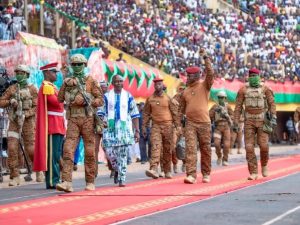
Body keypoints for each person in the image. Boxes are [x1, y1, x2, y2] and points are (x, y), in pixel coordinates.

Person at [56, 54, 103, 192]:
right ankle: (66, 182)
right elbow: (59, 98)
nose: (76, 66)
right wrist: (65, 84)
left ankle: (90, 181)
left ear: (84, 65)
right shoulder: (68, 82)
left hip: (88, 119)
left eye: (79, 64)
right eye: (74, 64)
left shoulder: (91, 81)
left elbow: (100, 99)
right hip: (73, 121)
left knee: (89, 152)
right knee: (68, 150)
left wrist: (87, 99)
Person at [177, 49, 214, 184]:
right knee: (190, 148)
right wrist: (178, 126)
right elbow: (180, 110)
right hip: (190, 123)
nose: (189, 77)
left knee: (205, 149)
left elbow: (210, 73)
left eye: (192, 75)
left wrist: (205, 58)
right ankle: (191, 175)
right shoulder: (185, 91)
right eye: (188, 75)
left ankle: (206, 173)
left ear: (199, 75)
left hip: (204, 123)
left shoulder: (205, 85)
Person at [0, 64, 41, 186]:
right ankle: (15, 176)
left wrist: (26, 114)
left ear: (27, 75)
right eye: (17, 73)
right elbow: (1, 101)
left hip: (28, 122)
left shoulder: (33, 89)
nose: (19, 75)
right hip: (14, 122)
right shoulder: (12, 89)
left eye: (21, 73)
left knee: (31, 149)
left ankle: (39, 170)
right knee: (12, 148)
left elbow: (36, 106)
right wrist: (10, 101)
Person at [234, 68, 276, 180]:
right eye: (251, 75)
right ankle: (253, 172)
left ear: (259, 76)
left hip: (262, 121)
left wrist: (274, 117)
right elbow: (238, 107)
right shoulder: (243, 90)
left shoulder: (265, 89)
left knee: (264, 145)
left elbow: (272, 104)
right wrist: (235, 122)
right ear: (248, 77)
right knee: (248, 147)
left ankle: (264, 165)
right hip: (249, 121)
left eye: (255, 75)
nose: (253, 77)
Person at [98, 75, 140, 187]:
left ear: (123, 83)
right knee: (109, 151)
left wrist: (137, 131)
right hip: (109, 128)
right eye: (116, 81)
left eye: (120, 81)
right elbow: (100, 112)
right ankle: (116, 168)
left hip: (124, 128)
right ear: (112, 83)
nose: (118, 83)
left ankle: (122, 178)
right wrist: (101, 123)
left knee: (122, 154)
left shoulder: (128, 96)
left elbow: (135, 114)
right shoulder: (106, 96)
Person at [33, 62, 66, 189]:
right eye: (53, 72)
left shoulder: (52, 86)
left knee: (56, 154)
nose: (56, 74)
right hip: (52, 124)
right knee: (53, 155)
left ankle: (54, 179)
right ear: (47, 73)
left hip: (57, 123)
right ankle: (53, 180)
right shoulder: (47, 86)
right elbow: (57, 103)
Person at [143, 78, 177, 179]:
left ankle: (167, 170)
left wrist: (178, 126)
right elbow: (146, 113)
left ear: (163, 85)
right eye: (156, 84)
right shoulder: (150, 99)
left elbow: (175, 113)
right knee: (155, 147)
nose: (158, 86)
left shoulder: (168, 98)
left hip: (168, 126)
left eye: (160, 84)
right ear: (154, 86)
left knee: (167, 149)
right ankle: (153, 168)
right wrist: (144, 127)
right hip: (156, 126)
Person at [209, 90, 233, 166]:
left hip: (226, 127)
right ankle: (219, 156)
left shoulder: (228, 107)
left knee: (226, 145)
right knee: (216, 143)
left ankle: (225, 159)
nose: (221, 99)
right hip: (218, 127)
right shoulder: (215, 106)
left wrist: (227, 116)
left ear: (225, 98)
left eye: (222, 97)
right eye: (219, 97)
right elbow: (210, 116)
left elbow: (233, 115)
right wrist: (214, 112)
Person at [171, 82, 186, 172]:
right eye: (180, 89)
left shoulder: (189, 99)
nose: (182, 91)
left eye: (183, 89)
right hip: (175, 126)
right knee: (173, 146)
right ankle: (175, 163)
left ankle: (185, 162)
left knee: (183, 147)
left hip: (186, 127)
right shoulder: (174, 99)